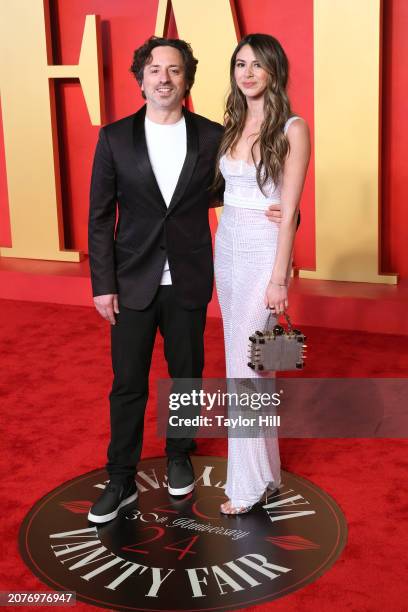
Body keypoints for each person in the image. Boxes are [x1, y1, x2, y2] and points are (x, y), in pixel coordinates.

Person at [87, 35, 284, 524]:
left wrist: (284, 214)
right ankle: (120, 478)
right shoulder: (113, 137)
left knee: (187, 377)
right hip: (131, 281)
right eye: (154, 70)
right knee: (127, 382)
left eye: (174, 70)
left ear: (187, 79)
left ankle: (179, 454)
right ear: (140, 79)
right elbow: (99, 216)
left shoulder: (213, 135)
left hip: (191, 278)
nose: (163, 78)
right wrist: (102, 283)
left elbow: (242, 191)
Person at [213, 33, 310, 514]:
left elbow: (288, 210)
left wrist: (279, 277)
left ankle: (248, 485)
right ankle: (266, 474)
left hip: (262, 254)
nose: (247, 73)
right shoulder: (231, 125)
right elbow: (224, 195)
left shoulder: (293, 127)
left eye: (256, 65)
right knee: (252, 362)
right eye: (240, 64)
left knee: (243, 368)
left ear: (275, 70)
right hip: (225, 249)